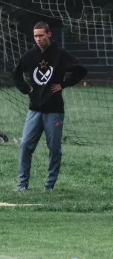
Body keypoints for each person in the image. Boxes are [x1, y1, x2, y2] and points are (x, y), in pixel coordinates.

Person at [13, 22, 88, 192]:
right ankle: (22, 185)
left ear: (49, 34)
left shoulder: (60, 54)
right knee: (25, 145)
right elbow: (16, 74)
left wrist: (63, 84)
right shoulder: (30, 55)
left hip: (54, 110)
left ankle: (49, 186)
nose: (38, 39)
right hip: (34, 109)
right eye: (35, 36)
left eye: (41, 35)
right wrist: (26, 89)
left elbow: (81, 70)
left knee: (54, 149)